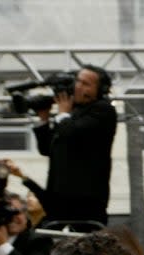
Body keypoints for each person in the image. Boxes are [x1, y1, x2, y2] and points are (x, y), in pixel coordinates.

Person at [32, 65, 117, 226]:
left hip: (86, 200)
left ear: (100, 89)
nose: (78, 87)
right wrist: (43, 120)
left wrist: (63, 113)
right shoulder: (71, 112)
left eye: (86, 84)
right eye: (78, 81)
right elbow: (47, 149)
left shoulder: (103, 110)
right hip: (58, 198)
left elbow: (71, 133)